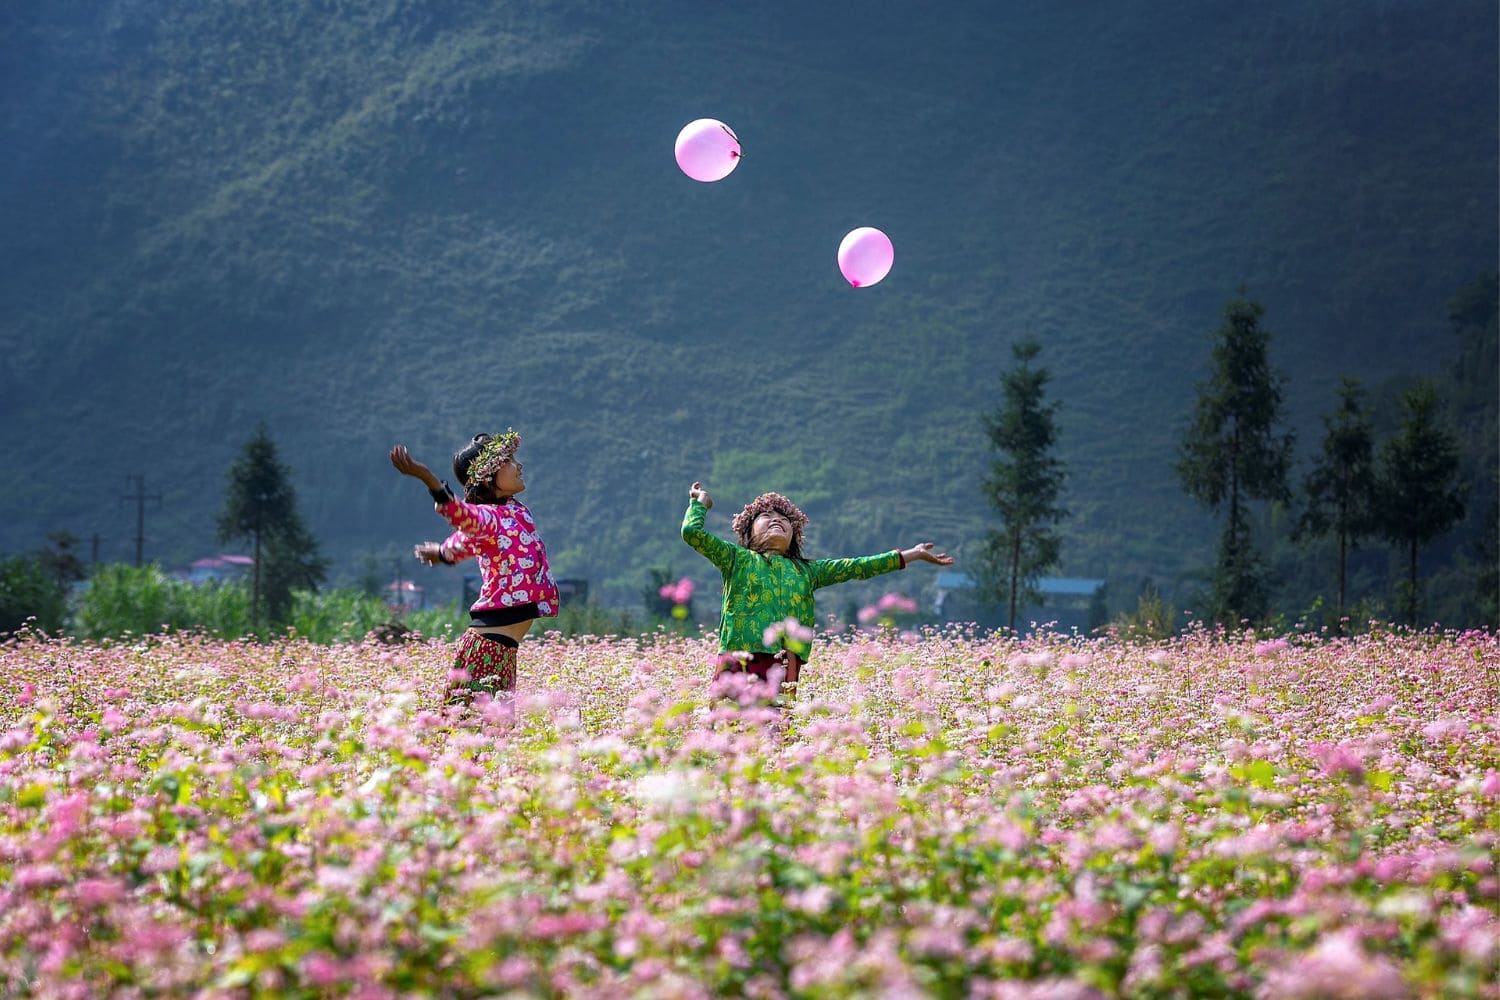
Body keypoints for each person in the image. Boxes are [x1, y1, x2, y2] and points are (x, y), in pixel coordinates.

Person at [681, 481, 953, 703]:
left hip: (784, 664)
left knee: (774, 740)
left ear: (793, 537)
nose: (776, 520)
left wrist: (911, 555)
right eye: (766, 517)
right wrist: (700, 503)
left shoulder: (807, 571)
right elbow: (691, 532)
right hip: (738, 659)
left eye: (783, 519)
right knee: (727, 738)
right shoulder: (736, 559)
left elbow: (857, 567)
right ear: (749, 534)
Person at [389, 430, 559, 702]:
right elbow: (464, 517)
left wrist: (443, 553)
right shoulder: (489, 518)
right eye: (509, 461)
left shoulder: (514, 512)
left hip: (502, 650)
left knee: (491, 733)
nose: (518, 465)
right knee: (473, 730)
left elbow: (470, 539)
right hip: (486, 648)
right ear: (489, 477)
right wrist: (428, 478)